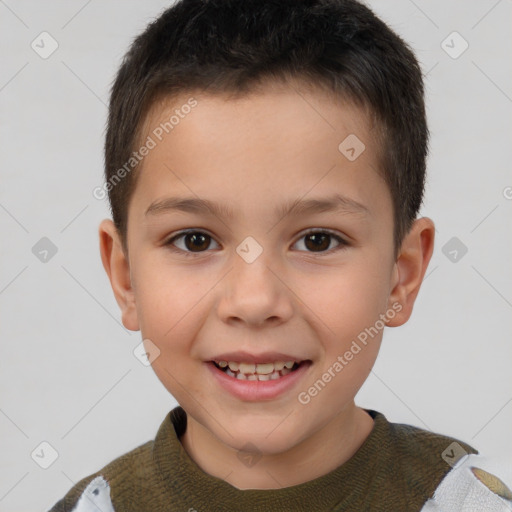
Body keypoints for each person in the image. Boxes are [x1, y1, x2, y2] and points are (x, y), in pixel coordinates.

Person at [48, 0, 512, 510]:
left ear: (401, 277)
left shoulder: (469, 501)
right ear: (125, 276)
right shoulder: (94, 505)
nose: (254, 301)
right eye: (195, 240)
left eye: (318, 240)